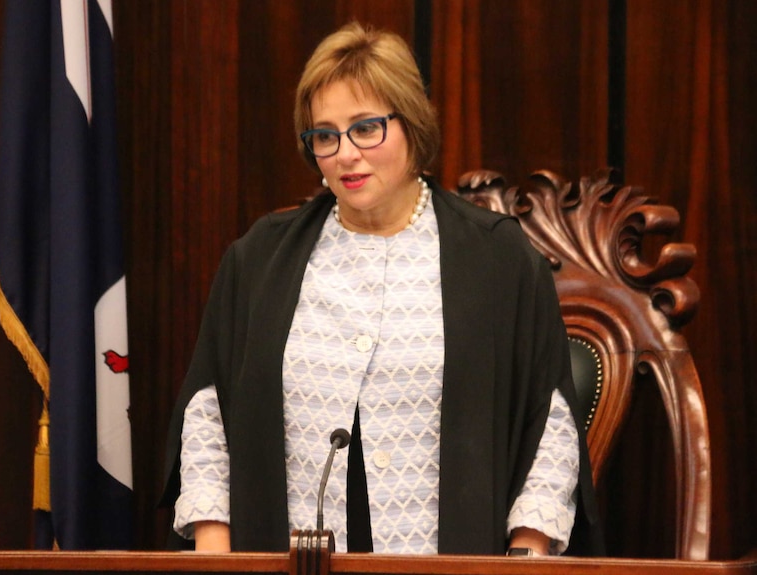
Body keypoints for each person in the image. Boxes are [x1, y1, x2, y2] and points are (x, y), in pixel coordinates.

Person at [160, 21, 604, 556]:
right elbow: (207, 413)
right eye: (324, 135)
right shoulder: (259, 259)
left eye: (366, 127)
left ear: (411, 125)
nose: (345, 154)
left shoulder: (499, 260)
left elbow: (551, 424)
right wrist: (216, 555)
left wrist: (524, 554)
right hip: (286, 562)